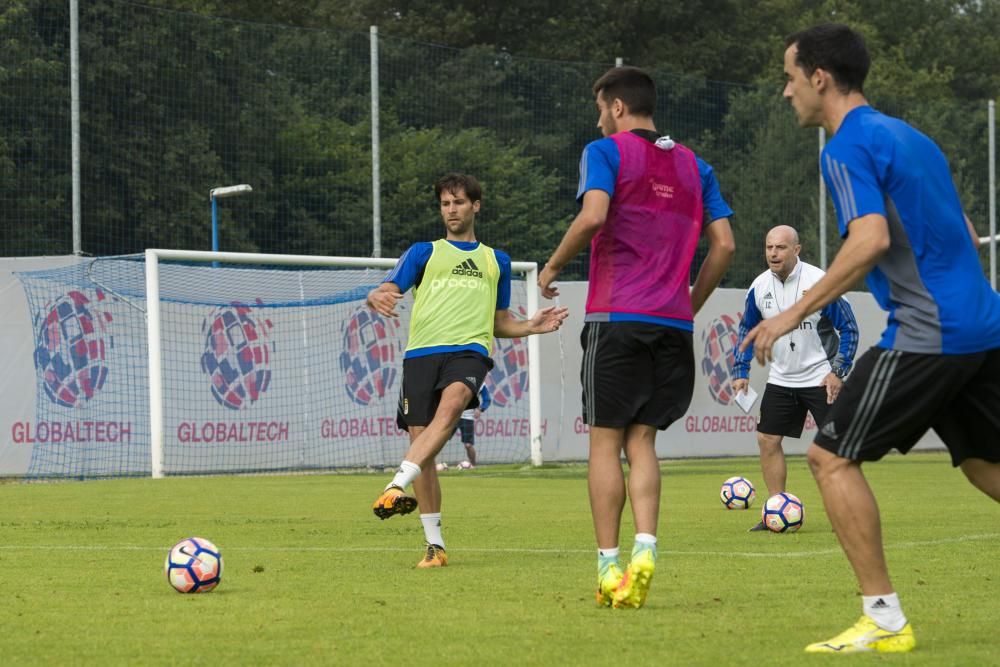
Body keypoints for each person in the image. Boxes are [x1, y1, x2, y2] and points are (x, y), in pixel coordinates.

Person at [741, 23, 1000, 653]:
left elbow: (870, 239)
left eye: (789, 77)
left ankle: (883, 617)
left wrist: (787, 314)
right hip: (981, 322)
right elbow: (965, 234)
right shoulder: (911, 137)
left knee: (828, 457)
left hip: (930, 331)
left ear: (819, 78)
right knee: (982, 464)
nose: (786, 93)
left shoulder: (845, 145)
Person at [538, 66, 735, 609]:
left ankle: (608, 565)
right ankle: (646, 547)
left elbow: (593, 215)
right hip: (672, 325)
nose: (599, 119)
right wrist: (688, 303)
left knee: (604, 442)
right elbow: (725, 246)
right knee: (643, 441)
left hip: (617, 318)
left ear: (617, 107)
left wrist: (553, 267)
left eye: (601, 109)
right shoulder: (697, 165)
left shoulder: (604, 152)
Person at [367, 172, 568, 568]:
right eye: (445, 203)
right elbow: (386, 291)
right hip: (421, 355)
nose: (451, 210)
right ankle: (435, 546)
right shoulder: (422, 252)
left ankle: (394, 485)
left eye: (458, 202)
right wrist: (376, 296)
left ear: (475, 205)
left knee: (455, 402)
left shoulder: (497, 261)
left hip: (470, 352)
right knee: (422, 448)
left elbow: (499, 322)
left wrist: (529, 325)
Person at [732, 225, 859, 531]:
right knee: (767, 439)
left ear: (797, 250)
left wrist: (837, 370)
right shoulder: (759, 287)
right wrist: (740, 371)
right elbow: (746, 331)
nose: (773, 253)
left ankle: (849, 514)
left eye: (781, 248)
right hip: (781, 378)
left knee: (837, 447)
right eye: (769, 247)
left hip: (820, 377)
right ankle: (777, 508)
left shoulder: (819, 282)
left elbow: (850, 329)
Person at [455, 383, 490, 468]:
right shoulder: (455, 378)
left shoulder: (481, 383)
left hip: (467, 417)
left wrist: (481, 409)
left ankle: (473, 466)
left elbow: (487, 400)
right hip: (452, 416)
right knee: (439, 441)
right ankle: (432, 466)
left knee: (468, 445)